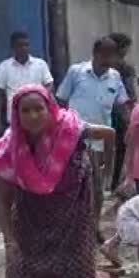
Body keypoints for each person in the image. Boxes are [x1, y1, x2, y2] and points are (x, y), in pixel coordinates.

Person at [0, 85, 115, 278]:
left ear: (50, 109)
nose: (33, 115)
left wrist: (106, 170)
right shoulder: (9, 148)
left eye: (39, 109)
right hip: (31, 216)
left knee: (77, 266)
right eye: (26, 110)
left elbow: (109, 134)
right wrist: (9, 240)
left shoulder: (72, 131)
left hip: (73, 211)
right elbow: (2, 199)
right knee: (22, 274)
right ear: (16, 114)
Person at [56, 37, 129, 238]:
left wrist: (130, 127)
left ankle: (93, 227)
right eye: (105, 54)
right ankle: (71, 226)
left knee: (97, 188)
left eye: (112, 55)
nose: (108, 59)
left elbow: (121, 106)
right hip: (74, 140)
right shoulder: (76, 72)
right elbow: (61, 101)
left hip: (100, 142)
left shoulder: (115, 77)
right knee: (73, 186)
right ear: (95, 54)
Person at [0, 31, 54, 129]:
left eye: (26, 45)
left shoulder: (40, 64)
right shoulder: (5, 66)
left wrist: (41, 96)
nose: (24, 48)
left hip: (39, 117)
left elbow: (49, 84)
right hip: (15, 119)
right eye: (20, 45)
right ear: (13, 47)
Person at [108, 33, 137, 191]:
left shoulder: (102, 64)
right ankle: (114, 183)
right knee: (121, 147)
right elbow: (130, 92)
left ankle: (106, 181)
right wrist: (132, 111)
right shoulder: (124, 68)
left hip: (103, 111)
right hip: (119, 112)